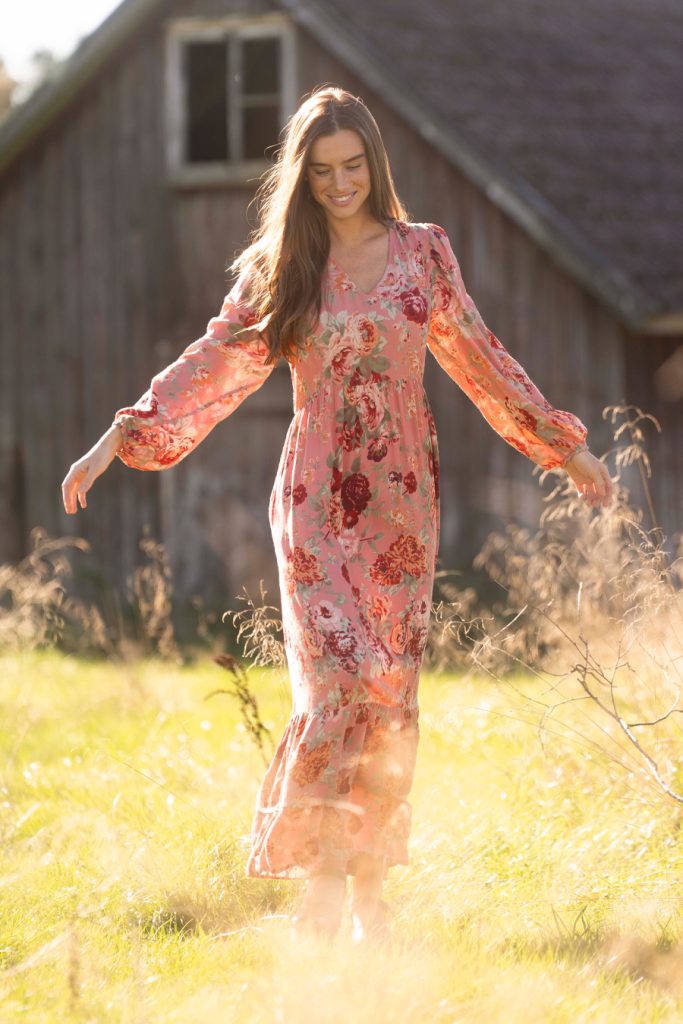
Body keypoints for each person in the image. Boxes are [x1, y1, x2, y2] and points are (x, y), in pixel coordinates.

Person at [61, 85, 613, 944]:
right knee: (335, 686)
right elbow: (215, 360)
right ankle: (322, 884)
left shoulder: (423, 254)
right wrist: (119, 436)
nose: (340, 183)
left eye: (352, 166)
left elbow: (478, 357)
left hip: (401, 500)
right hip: (314, 498)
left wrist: (561, 446)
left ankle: (368, 895)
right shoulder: (282, 265)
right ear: (302, 176)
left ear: (373, 164)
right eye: (321, 171)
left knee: (386, 692)